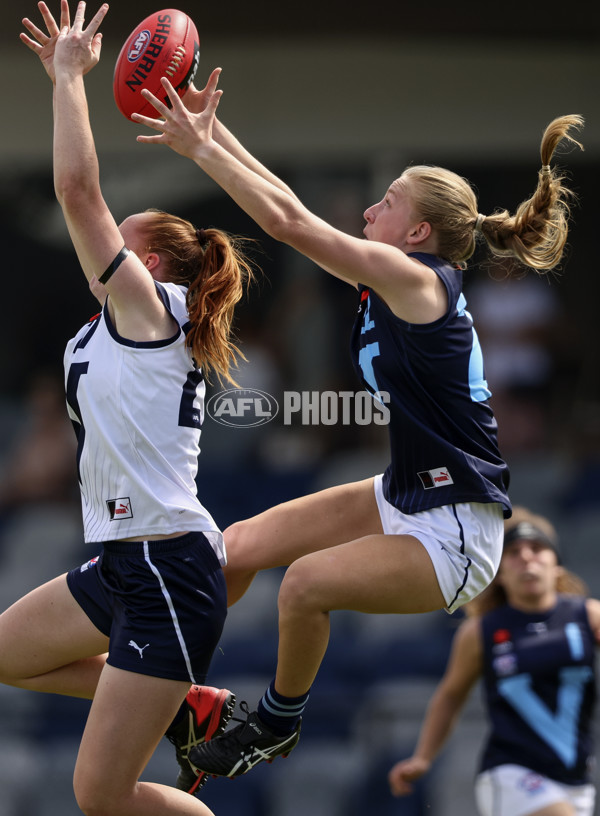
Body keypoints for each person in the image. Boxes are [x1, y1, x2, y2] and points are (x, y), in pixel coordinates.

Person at [132, 68, 584, 782]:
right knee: (234, 548)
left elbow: (286, 223)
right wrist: (209, 131)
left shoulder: (418, 279)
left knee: (305, 584)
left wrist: (199, 151)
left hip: (456, 531)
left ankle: (275, 727)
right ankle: (173, 690)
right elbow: (289, 207)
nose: (371, 210)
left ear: (420, 231)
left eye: (387, 201)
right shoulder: (389, 276)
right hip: (407, 490)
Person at [4, 2, 260, 812]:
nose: (102, 233)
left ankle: (175, 705)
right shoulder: (114, 325)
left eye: (121, 231)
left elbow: (77, 188)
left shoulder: (150, 308)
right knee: (7, 654)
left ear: (146, 261)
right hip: (125, 561)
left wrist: (69, 78)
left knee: (100, 796)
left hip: (168, 568)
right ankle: (185, 705)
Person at [388, 506, 600, 816]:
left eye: (538, 549)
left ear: (557, 566)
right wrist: (423, 757)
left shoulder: (588, 616)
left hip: (577, 778)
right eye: (514, 552)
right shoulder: (480, 631)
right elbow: (450, 694)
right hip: (512, 774)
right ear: (499, 574)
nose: (527, 557)